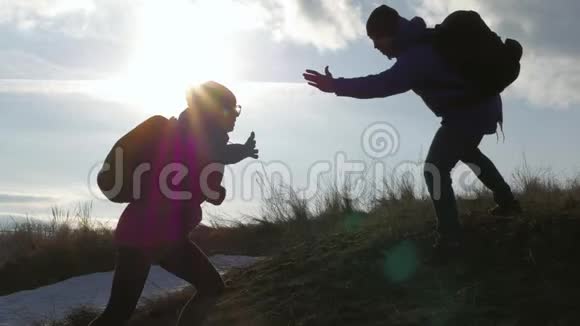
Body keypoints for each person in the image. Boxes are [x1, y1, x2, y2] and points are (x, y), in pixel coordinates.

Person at [303, 5, 522, 250]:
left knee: (434, 168)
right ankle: (507, 202)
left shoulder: (416, 57)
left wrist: (335, 86)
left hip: (469, 112)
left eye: (377, 39)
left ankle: (451, 238)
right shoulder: (422, 41)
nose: (376, 46)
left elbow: (381, 85)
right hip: (481, 105)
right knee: (467, 151)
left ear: (390, 33)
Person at [89, 81, 259, 326]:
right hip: (150, 235)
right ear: (214, 112)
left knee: (119, 312)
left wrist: (239, 152)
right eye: (231, 110)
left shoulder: (191, 136)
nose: (235, 116)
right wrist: (216, 186)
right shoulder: (196, 143)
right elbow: (205, 179)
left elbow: (213, 158)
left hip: (152, 234)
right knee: (208, 287)